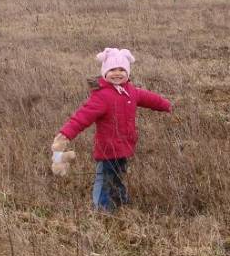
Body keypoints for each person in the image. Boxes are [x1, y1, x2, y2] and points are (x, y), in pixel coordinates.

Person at [53, 48, 171, 211]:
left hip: (125, 146)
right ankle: (101, 208)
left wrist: (165, 105)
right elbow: (81, 117)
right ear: (105, 72)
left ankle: (120, 200)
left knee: (118, 175)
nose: (117, 73)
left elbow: (149, 98)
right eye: (112, 70)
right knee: (105, 178)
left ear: (128, 72)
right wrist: (65, 135)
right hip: (108, 148)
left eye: (122, 69)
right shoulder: (102, 96)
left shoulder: (131, 91)